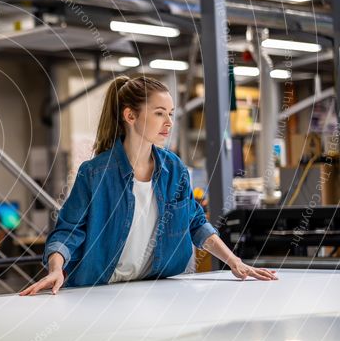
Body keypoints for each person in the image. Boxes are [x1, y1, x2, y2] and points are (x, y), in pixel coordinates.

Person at [21, 75, 277, 296]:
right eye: (158, 113)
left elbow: (195, 222)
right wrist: (56, 269)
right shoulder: (95, 174)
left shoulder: (174, 170)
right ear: (130, 116)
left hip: (157, 288)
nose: (168, 122)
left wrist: (234, 262)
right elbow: (68, 231)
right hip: (100, 291)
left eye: (170, 114)